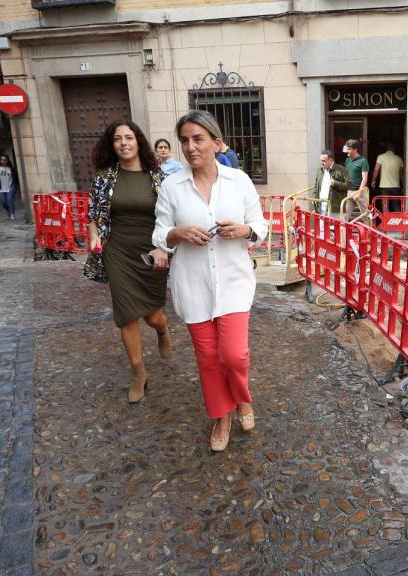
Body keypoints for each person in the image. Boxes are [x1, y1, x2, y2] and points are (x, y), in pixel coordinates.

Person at [153, 110, 268, 452]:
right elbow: (159, 233)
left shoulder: (239, 181)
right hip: (193, 284)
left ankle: (242, 398)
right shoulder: (172, 186)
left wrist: (245, 230)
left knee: (234, 356)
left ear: (217, 143)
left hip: (233, 282)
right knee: (208, 359)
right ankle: (222, 415)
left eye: (198, 139)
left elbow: (260, 226)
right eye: (185, 140)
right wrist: (178, 233)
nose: (190, 147)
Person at [84, 120, 171, 405]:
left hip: (152, 251)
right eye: (118, 139)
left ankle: (162, 329)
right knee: (126, 315)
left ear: (138, 141)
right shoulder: (104, 178)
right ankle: (138, 373)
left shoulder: (158, 177)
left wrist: (165, 247)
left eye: (129, 137)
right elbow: (94, 215)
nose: (124, 143)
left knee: (152, 316)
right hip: (118, 251)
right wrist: (94, 236)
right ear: (111, 145)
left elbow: (172, 216)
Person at [313, 149, 351, 215]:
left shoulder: (341, 169)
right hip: (321, 204)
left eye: (324, 161)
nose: (321, 163)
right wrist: (315, 197)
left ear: (330, 160)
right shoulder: (319, 170)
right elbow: (316, 185)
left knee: (333, 222)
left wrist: (335, 183)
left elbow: (349, 185)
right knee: (322, 222)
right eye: (321, 160)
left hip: (334, 207)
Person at [371, 142, 404, 213]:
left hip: (384, 186)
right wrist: (403, 185)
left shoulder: (381, 157)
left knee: (385, 205)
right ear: (394, 149)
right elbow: (401, 174)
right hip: (396, 186)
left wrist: (373, 181)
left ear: (386, 148)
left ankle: (386, 219)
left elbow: (376, 170)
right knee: (396, 205)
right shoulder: (399, 159)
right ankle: (397, 219)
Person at [343, 139, 369, 220]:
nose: (347, 151)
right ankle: (342, 229)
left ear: (355, 150)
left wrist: (359, 193)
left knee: (365, 217)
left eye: (349, 149)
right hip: (349, 192)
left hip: (360, 192)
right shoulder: (347, 160)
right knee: (344, 216)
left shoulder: (363, 161)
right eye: (346, 148)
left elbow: (364, 178)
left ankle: (369, 228)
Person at [0, 155, 19, 220]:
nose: (3, 161)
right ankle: (9, 212)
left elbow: (16, 178)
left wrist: (16, 185)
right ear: (0, 160)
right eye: (2, 160)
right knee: (3, 202)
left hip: (10, 186)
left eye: (5, 160)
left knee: (10, 200)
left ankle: (12, 214)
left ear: (7, 160)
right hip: (0, 188)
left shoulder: (11, 169)